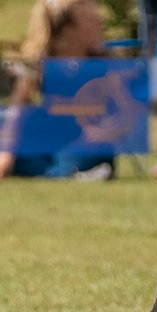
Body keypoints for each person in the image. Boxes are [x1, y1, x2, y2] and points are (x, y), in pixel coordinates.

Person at [0, 0, 113, 180]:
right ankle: (67, 174)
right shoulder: (37, 67)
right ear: (70, 31)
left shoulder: (103, 65)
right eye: (93, 22)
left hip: (83, 141)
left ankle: (65, 172)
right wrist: (5, 156)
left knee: (90, 151)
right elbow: (17, 112)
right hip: (45, 144)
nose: (100, 26)